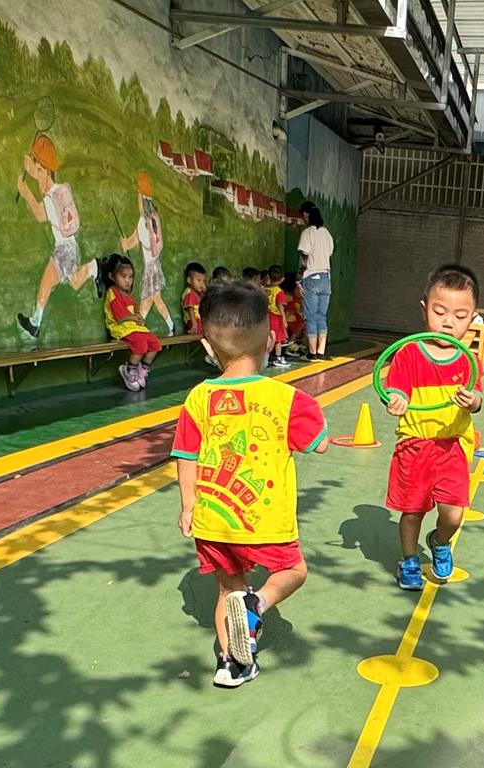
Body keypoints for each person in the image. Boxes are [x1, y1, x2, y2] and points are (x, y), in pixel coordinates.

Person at [170, 281, 328, 687]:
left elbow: (185, 456)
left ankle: (231, 665)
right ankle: (259, 603)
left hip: (214, 519)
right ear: (270, 339)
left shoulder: (197, 398)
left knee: (228, 590)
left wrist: (188, 505)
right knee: (293, 570)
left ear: (207, 347)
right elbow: (319, 443)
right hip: (265, 519)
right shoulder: (287, 399)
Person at [383, 264, 483, 591]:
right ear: (424, 308)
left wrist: (473, 401)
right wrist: (397, 399)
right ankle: (410, 559)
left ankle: (440, 541)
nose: (448, 321)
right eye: (439, 312)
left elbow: (478, 397)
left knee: (453, 514)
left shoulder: (468, 360)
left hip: (452, 446)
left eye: (460, 315)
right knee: (412, 511)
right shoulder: (409, 353)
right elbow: (397, 389)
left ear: (472, 318)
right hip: (414, 444)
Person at [16, 135, 103, 338]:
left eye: (40, 170)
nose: (37, 174)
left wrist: (25, 191)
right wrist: (30, 167)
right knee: (69, 281)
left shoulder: (51, 197)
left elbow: (39, 214)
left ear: (47, 171)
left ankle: (35, 323)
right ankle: (94, 267)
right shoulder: (59, 192)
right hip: (67, 247)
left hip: (64, 249)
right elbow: (38, 174)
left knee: (50, 282)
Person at [120, 172, 174, 335]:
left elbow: (131, 242)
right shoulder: (155, 218)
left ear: (142, 201)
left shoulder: (142, 222)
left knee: (148, 299)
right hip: (156, 264)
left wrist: (124, 243)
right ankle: (170, 326)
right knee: (155, 298)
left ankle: (138, 328)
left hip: (150, 267)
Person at [103, 253, 161, 391]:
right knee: (141, 344)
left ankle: (142, 369)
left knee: (155, 344)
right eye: (123, 276)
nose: (128, 281)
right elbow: (119, 317)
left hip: (132, 327)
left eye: (130, 277)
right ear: (112, 276)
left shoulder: (128, 296)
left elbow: (133, 313)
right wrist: (133, 317)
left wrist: (138, 317)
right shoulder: (112, 292)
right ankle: (129, 369)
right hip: (120, 327)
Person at [296, 202, 334, 360]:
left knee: (311, 316)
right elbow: (330, 256)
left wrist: (298, 281)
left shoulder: (308, 233)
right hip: (326, 278)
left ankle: (312, 353)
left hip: (311, 277)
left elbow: (304, 258)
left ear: (306, 214)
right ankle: (321, 351)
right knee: (321, 316)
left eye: (302, 215)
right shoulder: (327, 233)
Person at [264, 264, 290, 368]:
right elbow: (280, 307)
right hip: (276, 318)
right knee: (278, 339)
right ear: (282, 279)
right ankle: (278, 357)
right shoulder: (279, 292)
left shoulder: (265, 289)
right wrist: (284, 319)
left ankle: (265, 357)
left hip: (267, 316)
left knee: (268, 337)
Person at [181, 262, 207, 336]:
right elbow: (190, 309)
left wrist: (204, 291)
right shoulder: (189, 293)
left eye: (204, 281)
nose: (201, 283)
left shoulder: (198, 293)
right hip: (193, 323)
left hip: (200, 322)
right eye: (199, 280)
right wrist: (194, 324)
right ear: (189, 280)